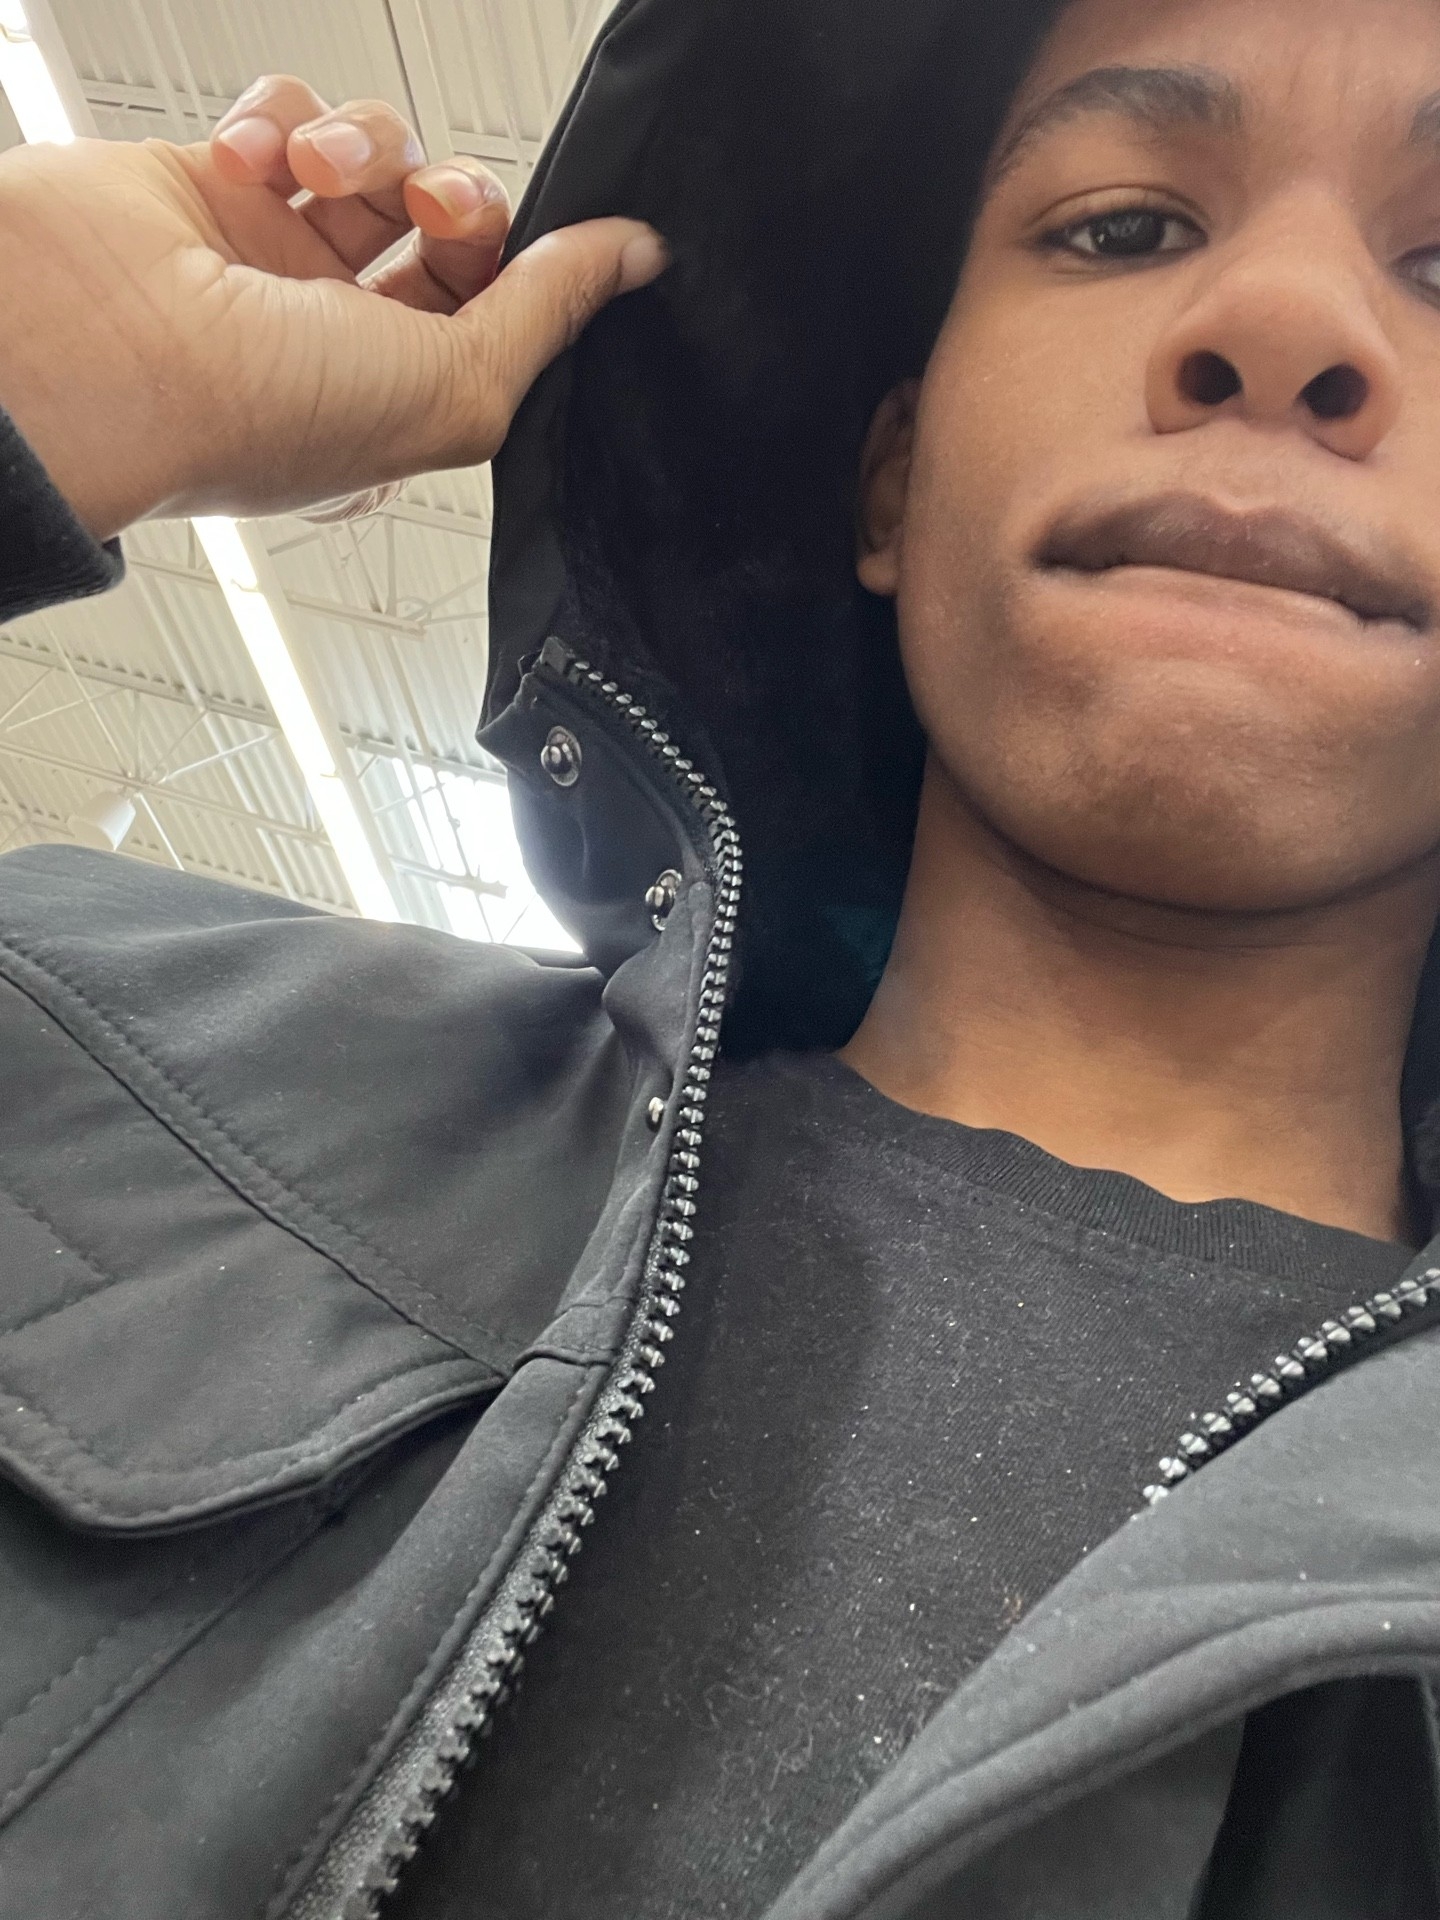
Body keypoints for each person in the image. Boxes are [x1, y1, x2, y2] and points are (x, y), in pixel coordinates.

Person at [4, 0, 1440, 1912]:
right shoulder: (106, 1052)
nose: (1286, 320)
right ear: (891, 478)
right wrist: (39, 371)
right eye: (1122, 225)